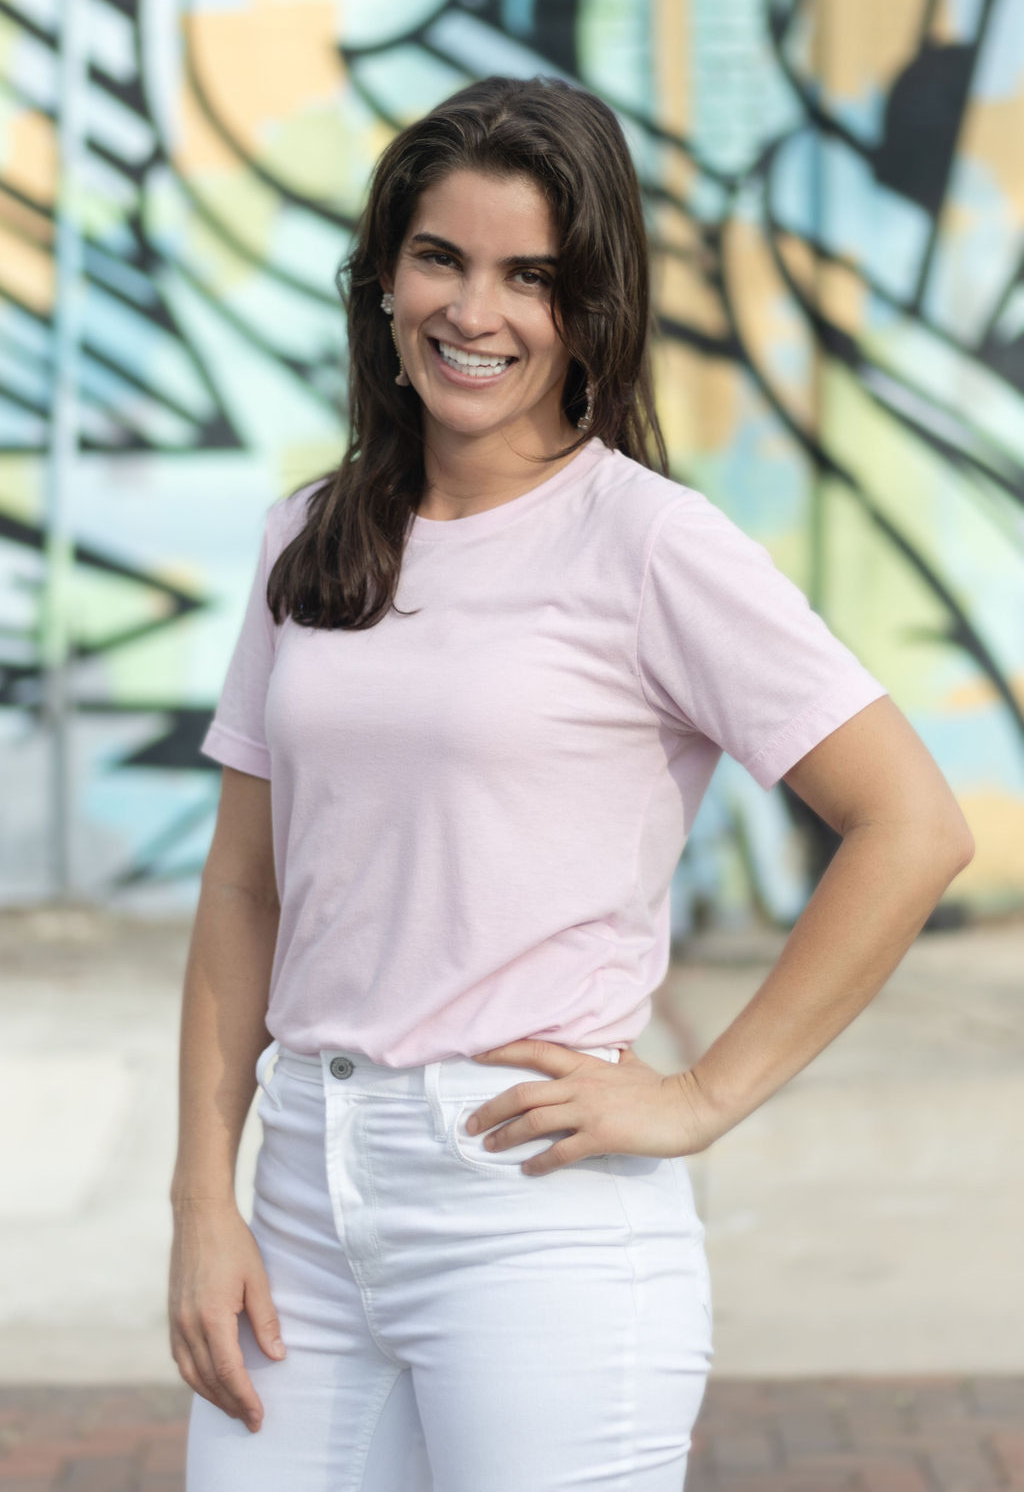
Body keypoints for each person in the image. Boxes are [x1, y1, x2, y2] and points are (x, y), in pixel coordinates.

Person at [170, 74, 974, 1491]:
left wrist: (706, 1095)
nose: (473, 313)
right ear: (384, 277)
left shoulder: (651, 545)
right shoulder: (311, 536)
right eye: (441, 258)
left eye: (529, 277)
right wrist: (202, 1198)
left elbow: (911, 824)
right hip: (303, 1185)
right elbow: (244, 881)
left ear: (590, 308)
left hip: (529, 1208)